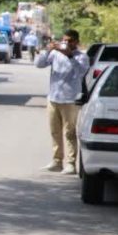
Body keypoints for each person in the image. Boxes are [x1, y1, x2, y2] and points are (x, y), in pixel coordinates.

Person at [34, 29, 90, 174]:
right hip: (53, 98)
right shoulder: (55, 54)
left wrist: (70, 55)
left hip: (70, 99)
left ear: (76, 42)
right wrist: (48, 50)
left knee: (69, 133)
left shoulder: (81, 57)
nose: (66, 43)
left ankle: (71, 163)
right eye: (64, 40)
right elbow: (38, 64)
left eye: (70, 41)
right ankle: (57, 161)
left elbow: (80, 72)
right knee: (55, 132)